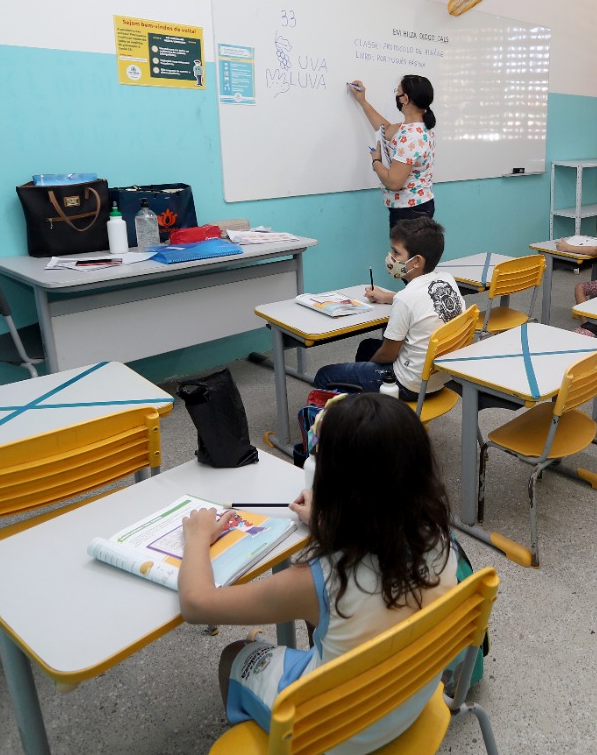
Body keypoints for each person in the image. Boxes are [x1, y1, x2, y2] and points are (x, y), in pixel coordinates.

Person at [178, 393, 458, 752]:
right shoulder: (439, 537)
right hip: (409, 702)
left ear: (331, 485)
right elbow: (382, 525)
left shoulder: (318, 581)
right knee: (329, 627)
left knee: (235, 655)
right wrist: (328, 523)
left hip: (334, 736)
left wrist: (198, 537)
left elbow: (196, 604)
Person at [313, 216, 465, 399]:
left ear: (417, 261)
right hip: (439, 375)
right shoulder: (446, 279)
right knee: (367, 346)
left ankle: (366, 405)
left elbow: (387, 355)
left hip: (409, 384)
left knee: (324, 375)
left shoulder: (405, 299)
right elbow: (423, 302)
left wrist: (370, 369)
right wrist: (387, 297)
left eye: (396, 252)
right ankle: (367, 401)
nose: (390, 257)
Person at [349, 75, 437, 227]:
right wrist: (363, 101)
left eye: (398, 91)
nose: (396, 95)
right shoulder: (417, 126)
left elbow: (394, 182)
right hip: (416, 205)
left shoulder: (411, 137)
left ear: (405, 99)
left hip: (410, 210)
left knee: (405, 244)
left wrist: (376, 161)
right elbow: (387, 130)